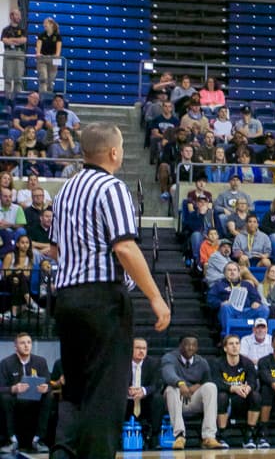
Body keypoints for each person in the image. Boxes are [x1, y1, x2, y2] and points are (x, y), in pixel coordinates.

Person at [49, 122, 170, 459]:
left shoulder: (65, 191)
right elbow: (125, 247)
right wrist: (155, 297)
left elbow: (55, 250)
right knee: (105, 396)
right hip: (101, 300)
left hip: (66, 299)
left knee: (76, 392)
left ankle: (63, 454)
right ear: (114, 152)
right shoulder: (112, 188)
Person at [161, 335, 226, 450]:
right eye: (187, 344)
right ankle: (179, 436)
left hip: (193, 399)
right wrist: (180, 384)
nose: (190, 347)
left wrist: (197, 386)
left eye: (194, 345)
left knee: (211, 387)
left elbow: (207, 381)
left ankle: (209, 437)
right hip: (174, 401)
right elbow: (168, 373)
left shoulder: (202, 362)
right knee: (172, 389)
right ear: (180, 346)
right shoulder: (169, 358)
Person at [0, 332, 52, 453]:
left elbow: (48, 384)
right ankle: (12, 440)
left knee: (49, 396)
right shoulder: (6, 363)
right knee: (5, 397)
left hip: (35, 399)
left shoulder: (40, 361)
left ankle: (38, 440)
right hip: (15, 400)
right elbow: (1, 387)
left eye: (29, 342)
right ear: (15, 346)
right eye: (22, 343)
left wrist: (46, 388)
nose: (26, 345)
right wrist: (13, 389)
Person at [213, 334, 261, 449]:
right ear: (225, 348)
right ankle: (222, 435)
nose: (235, 346)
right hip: (225, 398)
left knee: (255, 396)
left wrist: (248, 388)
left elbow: (252, 381)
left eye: (237, 343)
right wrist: (233, 388)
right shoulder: (217, 363)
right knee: (222, 397)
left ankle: (249, 434)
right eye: (231, 344)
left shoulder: (247, 363)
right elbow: (215, 382)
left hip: (242, 398)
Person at [206, 262, 269, 332]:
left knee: (264, 309)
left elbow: (256, 297)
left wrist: (256, 302)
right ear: (224, 273)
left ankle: (260, 331)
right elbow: (210, 299)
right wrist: (221, 303)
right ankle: (227, 333)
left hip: (247, 311)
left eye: (234, 270)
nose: (232, 272)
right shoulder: (218, 285)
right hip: (230, 310)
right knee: (225, 307)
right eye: (229, 270)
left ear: (239, 273)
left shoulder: (247, 284)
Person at [127, 337, 163, 450]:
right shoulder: (122, 363)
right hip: (126, 401)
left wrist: (143, 390)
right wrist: (126, 390)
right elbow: (115, 381)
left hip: (145, 401)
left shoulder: (154, 363)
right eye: (138, 348)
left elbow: (158, 384)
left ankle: (154, 437)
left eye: (144, 348)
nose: (141, 351)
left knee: (158, 398)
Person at [1, 9, 27, 95]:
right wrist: (17, 41)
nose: (19, 17)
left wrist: (11, 40)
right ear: (11, 16)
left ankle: (17, 97)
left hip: (19, 54)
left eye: (20, 15)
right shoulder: (5, 30)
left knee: (18, 79)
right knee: (8, 78)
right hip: (9, 54)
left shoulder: (22, 29)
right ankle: (7, 98)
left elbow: (23, 40)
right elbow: (5, 40)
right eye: (17, 15)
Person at [35, 17, 62, 93]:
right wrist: (38, 53)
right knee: (43, 77)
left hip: (53, 58)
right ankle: (42, 94)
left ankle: (49, 94)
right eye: (44, 23)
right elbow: (38, 45)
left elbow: (58, 48)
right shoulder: (41, 35)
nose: (44, 25)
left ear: (51, 24)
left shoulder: (57, 36)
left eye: (46, 23)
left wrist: (57, 55)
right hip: (43, 58)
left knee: (51, 79)